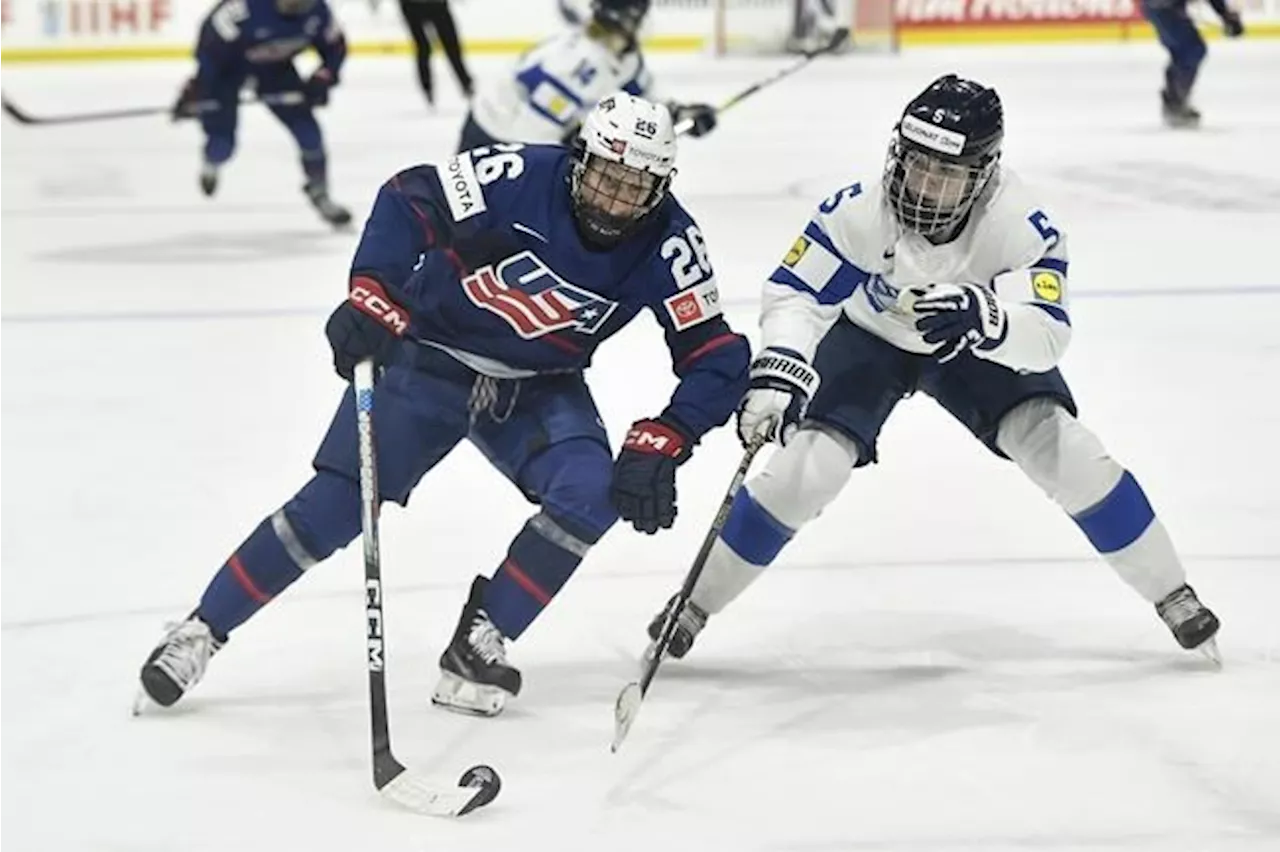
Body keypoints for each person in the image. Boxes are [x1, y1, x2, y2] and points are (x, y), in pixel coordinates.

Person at [136, 92, 750, 718]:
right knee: (335, 505)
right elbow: (411, 197)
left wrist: (671, 433)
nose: (614, 202)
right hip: (427, 357)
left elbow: (716, 355)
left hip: (538, 385)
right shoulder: (518, 175)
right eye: (604, 178)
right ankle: (200, 629)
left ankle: (482, 641)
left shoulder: (671, 243)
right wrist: (374, 290)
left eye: (635, 188)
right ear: (578, 160)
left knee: (591, 491)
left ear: (662, 188)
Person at [644, 74, 1222, 667]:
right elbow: (798, 293)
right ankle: (695, 604)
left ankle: (1173, 592)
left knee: (1064, 451)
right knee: (809, 469)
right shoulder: (858, 212)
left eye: (946, 174)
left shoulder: (1021, 229)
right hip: (872, 336)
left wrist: (991, 320)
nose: (924, 186)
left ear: (984, 173)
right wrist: (782, 363)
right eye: (917, 164)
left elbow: (1047, 336)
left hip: (972, 345)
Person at [172, 0, 352, 227]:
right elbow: (209, 48)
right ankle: (212, 161)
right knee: (222, 145)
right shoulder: (240, 10)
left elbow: (335, 47)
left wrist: (323, 78)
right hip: (229, 71)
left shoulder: (318, 11)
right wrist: (202, 87)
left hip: (275, 71)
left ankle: (320, 192)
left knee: (309, 133)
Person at [458, 0, 717, 153]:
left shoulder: (623, 56)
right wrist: (579, 145)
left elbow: (641, 101)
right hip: (492, 133)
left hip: (521, 130)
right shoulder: (578, 63)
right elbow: (533, 132)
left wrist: (679, 114)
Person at [1140, 0, 1244, 128]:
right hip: (1162, 7)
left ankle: (1174, 100)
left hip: (1162, 8)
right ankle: (1174, 101)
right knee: (1191, 49)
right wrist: (1225, 15)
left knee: (1185, 51)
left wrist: (1225, 15)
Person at [397, 0, 474, 107]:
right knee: (425, 47)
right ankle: (428, 86)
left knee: (449, 45)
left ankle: (465, 83)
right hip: (414, 6)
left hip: (430, 5)